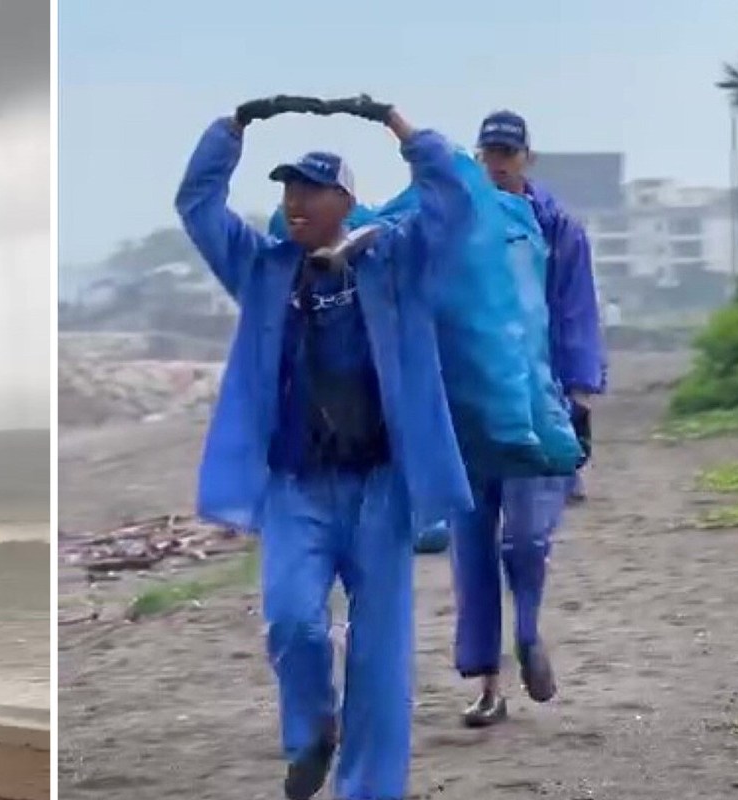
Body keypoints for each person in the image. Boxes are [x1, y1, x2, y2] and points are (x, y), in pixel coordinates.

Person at [175, 93, 476, 800]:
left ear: (345, 200)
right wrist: (233, 126)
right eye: (287, 188)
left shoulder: (397, 262)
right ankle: (314, 728)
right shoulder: (262, 269)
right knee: (292, 622)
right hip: (295, 488)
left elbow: (455, 202)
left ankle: (368, 790)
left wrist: (396, 122)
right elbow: (198, 204)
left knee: (380, 654)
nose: (295, 201)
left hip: (380, 488)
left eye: (311, 189)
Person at [450, 110, 606, 728]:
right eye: (488, 152)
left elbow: (576, 313)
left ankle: (529, 632)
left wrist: (580, 397)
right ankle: (488, 685)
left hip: (538, 404)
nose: (498, 163)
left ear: (526, 159)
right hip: (469, 407)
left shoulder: (557, 227)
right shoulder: (458, 222)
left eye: (507, 153)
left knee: (526, 540)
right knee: (471, 547)